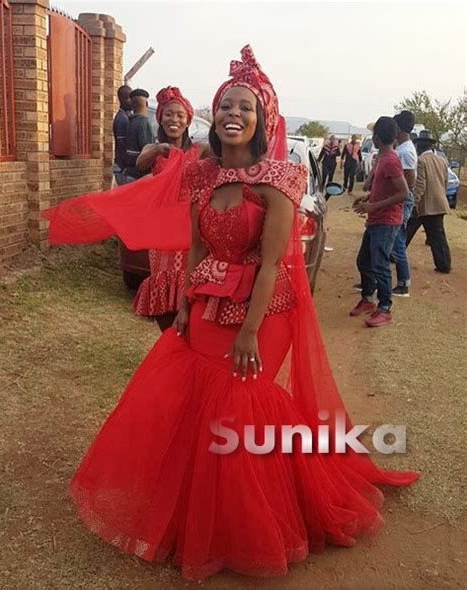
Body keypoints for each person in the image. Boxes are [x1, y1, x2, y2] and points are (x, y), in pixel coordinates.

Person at [44, 46, 417, 580]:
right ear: (214, 119)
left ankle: (256, 515)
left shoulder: (281, 181)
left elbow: (270, 266)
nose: (233, 114)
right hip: (208, 301)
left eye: (244, 106)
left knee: (242, 403)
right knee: (198, 397)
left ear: (261, 117)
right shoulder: (200, 177)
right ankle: (195, 507)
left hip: (263, 313)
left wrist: (247, 330)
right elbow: (197, 251)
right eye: (225, 106)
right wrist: (184, 305)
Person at [132, 87, 209, 331]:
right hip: (163, 235)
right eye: (168, 114)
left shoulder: (200, 151)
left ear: (188, 121)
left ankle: (187, 339)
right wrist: (159, 149)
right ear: (160, 119)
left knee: (190, 288)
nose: (174, 119)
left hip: (192, 232)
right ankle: (168, 340)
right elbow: (139, 163)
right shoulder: (152, 150)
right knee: (165, 289)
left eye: (180, 115)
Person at [351, 117, 409, 327]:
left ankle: (385, 308)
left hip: (386, 221)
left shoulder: (391, 160)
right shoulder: (383, 158)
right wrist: (367, 199)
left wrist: (373, 206)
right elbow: (382, 188)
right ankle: (368, 300)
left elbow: (403, 193)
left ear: (376, 137)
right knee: (364, 261)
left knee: (380, 265)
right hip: (377, 219)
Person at [407, 130, 451, 273]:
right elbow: (445, 182)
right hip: (439, 202)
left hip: (424, 205)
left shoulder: (421, 161)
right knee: (438, 236)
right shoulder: (442, 161)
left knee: (407, 231)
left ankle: (394, 255)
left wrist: (414, 203)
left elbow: (420, 185)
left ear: (419, 146)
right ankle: (444, 265)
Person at [390, 111, 417, 297]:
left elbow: (410, 181)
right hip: (399, 199)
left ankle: (403, 283)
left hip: (401, 200)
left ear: (398, 129)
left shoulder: (405, 151)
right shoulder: (402, 148)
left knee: (398, 241)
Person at [124, 88, 155, 181]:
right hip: (140, 176)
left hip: (130, 172)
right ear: (146, 104)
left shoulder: (130, 121)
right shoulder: (143, 122)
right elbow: (148, 150)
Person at [112, 85, 132, 186]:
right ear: (121, 99)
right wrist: (127, 166)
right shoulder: (121, 120)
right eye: (129, 98)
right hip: (122, 167)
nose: (131, 101)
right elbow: (122, 145)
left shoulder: (126, 116)